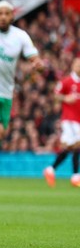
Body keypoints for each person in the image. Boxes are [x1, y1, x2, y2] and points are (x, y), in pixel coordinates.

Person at [0, 0, 44, 166]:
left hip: (5, 93)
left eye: (7, 13)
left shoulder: (20, 36)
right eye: (0, 13)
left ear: (12, 16)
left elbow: (34, 57)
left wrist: (38, 64)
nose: (3, 17)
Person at [44, 57, 80, 188]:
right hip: (69, 119)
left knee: (72, 146)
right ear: (73, 66)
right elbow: (55, 94)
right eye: (77, 64)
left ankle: (51, 169)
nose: (79, 67)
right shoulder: (66, 81)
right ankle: (76, 176)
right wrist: (65, 98)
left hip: (78, 119)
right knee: (76, 144)